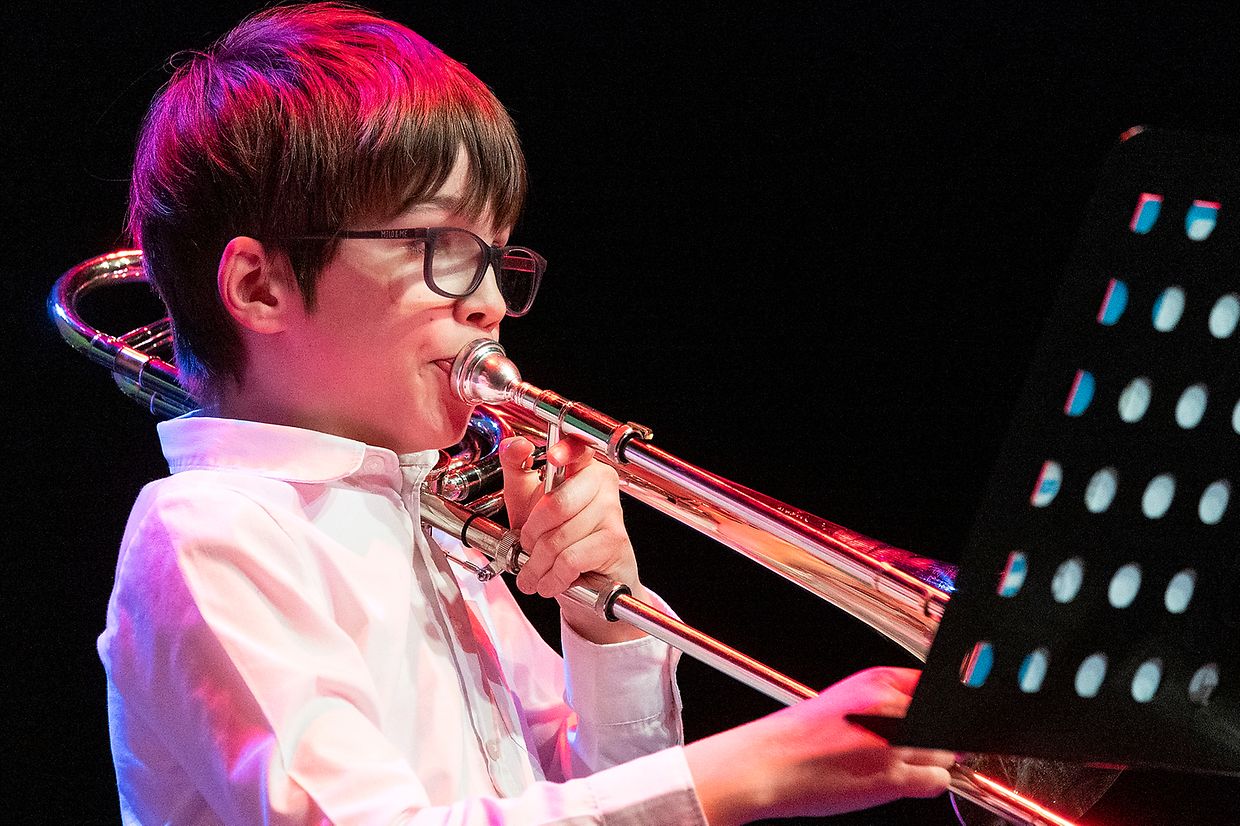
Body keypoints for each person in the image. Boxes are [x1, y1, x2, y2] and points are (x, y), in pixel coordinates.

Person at [97, 4, 955, 824]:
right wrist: (758, 769)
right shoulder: (208, 531)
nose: (490, 303)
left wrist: (600, 618)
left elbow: (605, 798)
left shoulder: (431, 524)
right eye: (442, 249)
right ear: (260, 285)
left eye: (497, 258)